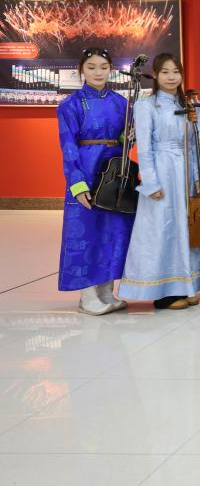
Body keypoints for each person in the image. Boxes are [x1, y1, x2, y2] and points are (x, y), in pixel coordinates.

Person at [120, 53, 200, 310]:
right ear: (155, 75)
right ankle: (163, 293)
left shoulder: (190, 104)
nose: (172, 77)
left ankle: (186, 286)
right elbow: (144, 148)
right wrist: (151, 183)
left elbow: (199, 145)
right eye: (165, 72)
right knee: (163, 229)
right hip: (162, 172)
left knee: (186, 228)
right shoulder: (146, 106)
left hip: (186, 172)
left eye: (176, 72)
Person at [55, 47, 134, 315]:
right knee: (87, 232)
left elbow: (126, 139)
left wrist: (128, 137)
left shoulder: (121, 103)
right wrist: (77, 184)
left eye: (103, 67)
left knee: (113, 230)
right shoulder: (70, 105)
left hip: (113, 171)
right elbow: (68, 146)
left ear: (111, 69)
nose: (98, 72)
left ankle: (106, 292)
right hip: (86, 169)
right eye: (91, 67)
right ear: (81, 71)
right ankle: (87, 296)